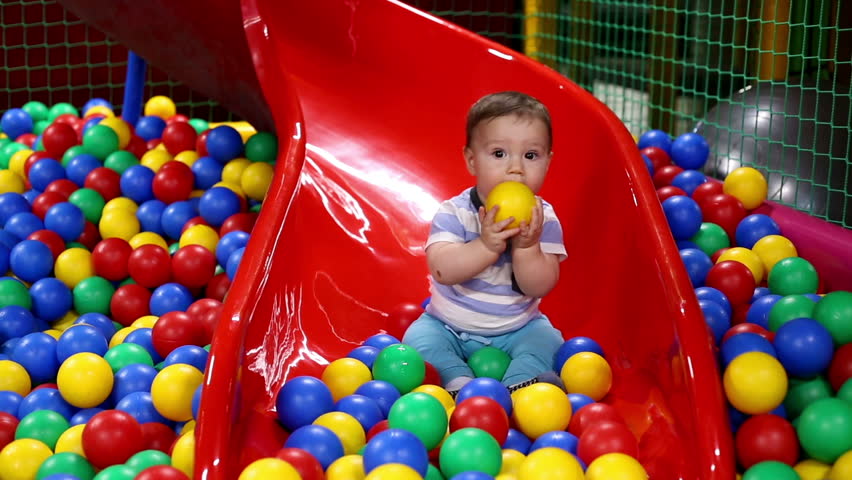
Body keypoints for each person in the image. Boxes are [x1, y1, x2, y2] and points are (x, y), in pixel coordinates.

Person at [403, 91, 567, 395]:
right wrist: (487, 246)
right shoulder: (454, 212)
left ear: (548, 162)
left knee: (549, 341)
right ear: (472, 160)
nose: (516, 168)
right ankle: (457, 384)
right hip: (447, 326)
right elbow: (442, 269)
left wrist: (528, 247)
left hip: (518, 328)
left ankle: (519, 386)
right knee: (419, 341)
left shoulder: (542, 218)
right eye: (499, 154)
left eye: (531, 155)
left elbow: (540, 286)